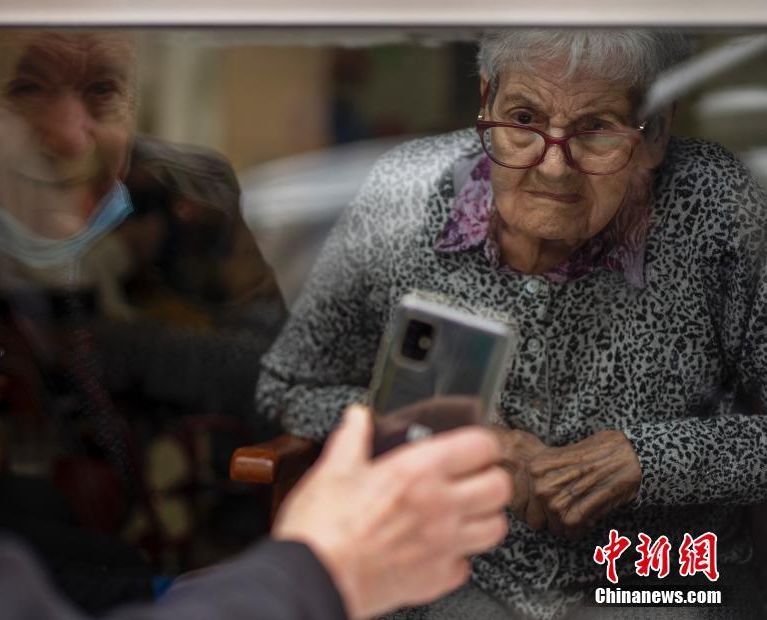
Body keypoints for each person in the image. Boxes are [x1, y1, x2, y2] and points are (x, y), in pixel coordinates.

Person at [0, 2, 512, 620]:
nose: (72, 136)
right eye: (25, 89)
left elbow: (270, 381)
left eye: (103, 91)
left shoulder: (184, 202)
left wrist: (120, 339)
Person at [258, 29, 767, 619]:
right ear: (487, 101)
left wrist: (651, 459)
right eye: (524, 119)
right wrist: (455, 434)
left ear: (652, 133)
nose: (553, 168)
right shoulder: (405, 194)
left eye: (596, 129)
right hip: (449, 578)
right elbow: (292, 388)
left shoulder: (714, 207)